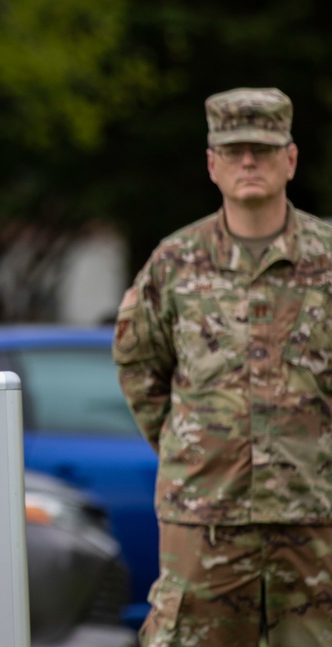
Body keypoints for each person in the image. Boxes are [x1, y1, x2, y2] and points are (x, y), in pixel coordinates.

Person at [113, 87, 332, 646]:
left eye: (263, 148)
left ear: (291, 159)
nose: (249, 162)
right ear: (213, 165)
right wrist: (192, 448)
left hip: (316, 517)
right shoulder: (175, 263)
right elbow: (139, 366)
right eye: (234, 152)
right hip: (205, 520)